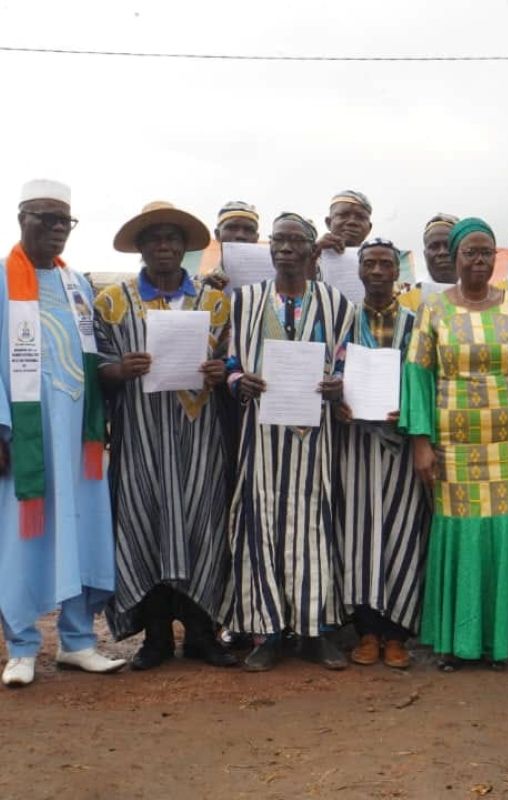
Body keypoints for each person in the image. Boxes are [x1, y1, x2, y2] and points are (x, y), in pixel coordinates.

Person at [400, 217, 508, 671]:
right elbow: (417, 375)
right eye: (469, 252)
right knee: (462, 538)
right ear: (454, 259)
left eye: (486, 252)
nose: (478, 260)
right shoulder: (435, 309)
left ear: (496, 258)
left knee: (507, 534)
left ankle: (504, 640)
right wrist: (421, 442)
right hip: (453, 450)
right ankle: (459, 641)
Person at [94, 201, 236, 670]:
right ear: (140, 247)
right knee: (143, 527)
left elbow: (234, 363)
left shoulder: (215, 303)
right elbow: (93, 369)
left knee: (204, 527)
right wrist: (118, 370)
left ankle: (202, 633)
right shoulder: (112, 302)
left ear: (184, 247)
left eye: (172, 238)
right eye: (153, 238)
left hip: (198, 441)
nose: (164, 246)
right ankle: (155, 638)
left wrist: (222, 370)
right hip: (141, 440)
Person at [1, 179, 126, 687]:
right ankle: (23, 647)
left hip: (79, 438)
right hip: (26, 437)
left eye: (63, 221)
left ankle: (77, 642)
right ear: (20, 218)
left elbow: (88, 360)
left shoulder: (78, 285)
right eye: (44, 218)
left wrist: (117, 372)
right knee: (22, 537)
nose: (55, 229)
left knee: (80, 531)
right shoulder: (5, 280)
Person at [222, 212, 355, 672]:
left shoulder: (339, 305)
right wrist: (241, 380)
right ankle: (268, 632)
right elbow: (230, 362)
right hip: (261, 438)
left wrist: (339, 384)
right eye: (277, 240)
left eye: (295, 240)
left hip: (315, 439)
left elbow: (345, 365)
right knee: (261, 527)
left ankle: (316, 631)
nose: (284, 248)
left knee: (315, 527)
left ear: (313, 251)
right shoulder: (245, 302)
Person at [336, 238, 428, 669]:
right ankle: (367, 631)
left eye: (384, 264)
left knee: (403, 535)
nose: (376, 271)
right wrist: (337, 397)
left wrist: (409, 407)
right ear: (358, 271)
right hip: (355, 444)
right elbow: (331, 371)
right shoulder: (343, 322)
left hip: (402, 442)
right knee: (357, 537)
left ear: (397, 272)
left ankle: (397, 634)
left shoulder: (417, 322)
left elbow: (430, 377)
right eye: (368, 263)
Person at [397, 213, 461, 312]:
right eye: (434, 246)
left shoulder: (482, 298)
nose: (442, 252)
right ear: (425, 254)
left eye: (448, 245)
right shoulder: (405, 298)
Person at [201, 201, 261, 291]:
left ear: (256, 238)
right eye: (231, 228)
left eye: (249, 229)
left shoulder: (272, 285)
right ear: (217, 235)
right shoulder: (198, 285)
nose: (240, 235)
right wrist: (202, 292)